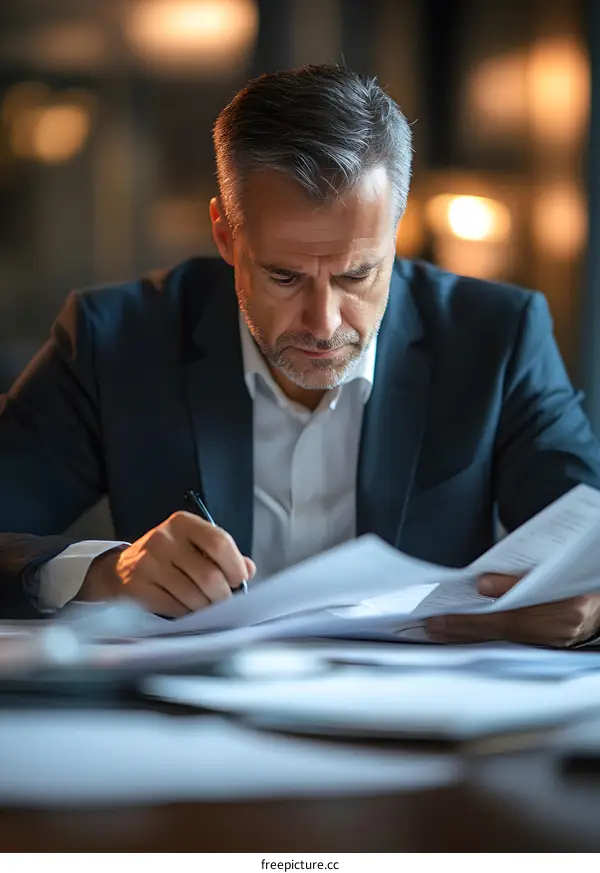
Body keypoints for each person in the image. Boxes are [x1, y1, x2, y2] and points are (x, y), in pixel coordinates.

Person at [1, 64, 600, 647]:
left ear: (396, 233)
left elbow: (587, 545)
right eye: (285, 277)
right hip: (187, 725)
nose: (325, 322)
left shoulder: (499, 337)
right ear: (226, 237)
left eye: (357, 274)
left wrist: (590, 610)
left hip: (418, 729)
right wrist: (106, 574)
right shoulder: (115, 339)